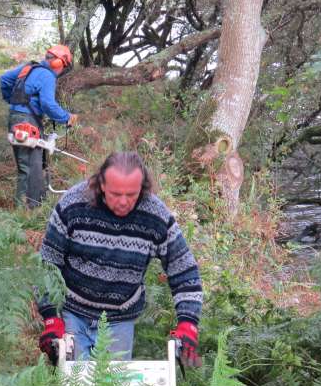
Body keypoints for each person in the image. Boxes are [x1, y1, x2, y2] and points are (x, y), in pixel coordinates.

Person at [36, 151, 203, 367]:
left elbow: (184, 271)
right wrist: (51, 317)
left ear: (142, 188)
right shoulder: (73, 204)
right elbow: (47, 264)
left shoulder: (156, 216)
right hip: (73, 312)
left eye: (131, 195)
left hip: (119, 318)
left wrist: (188, 322)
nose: (123, 202)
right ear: (101, 184)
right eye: (115, 194)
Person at [0, 44, 78, 207]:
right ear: (58, 63)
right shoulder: (48, 76)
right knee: (30, 166)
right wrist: (66, 117)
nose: (61, 70)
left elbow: (5, 79)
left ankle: (34, 203)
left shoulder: (29, 67)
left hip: (16, 117)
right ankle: (28, 209)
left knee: (28, 164)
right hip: (27, 120)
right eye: (63, 66)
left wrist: (13, 100)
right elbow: (48, 104)